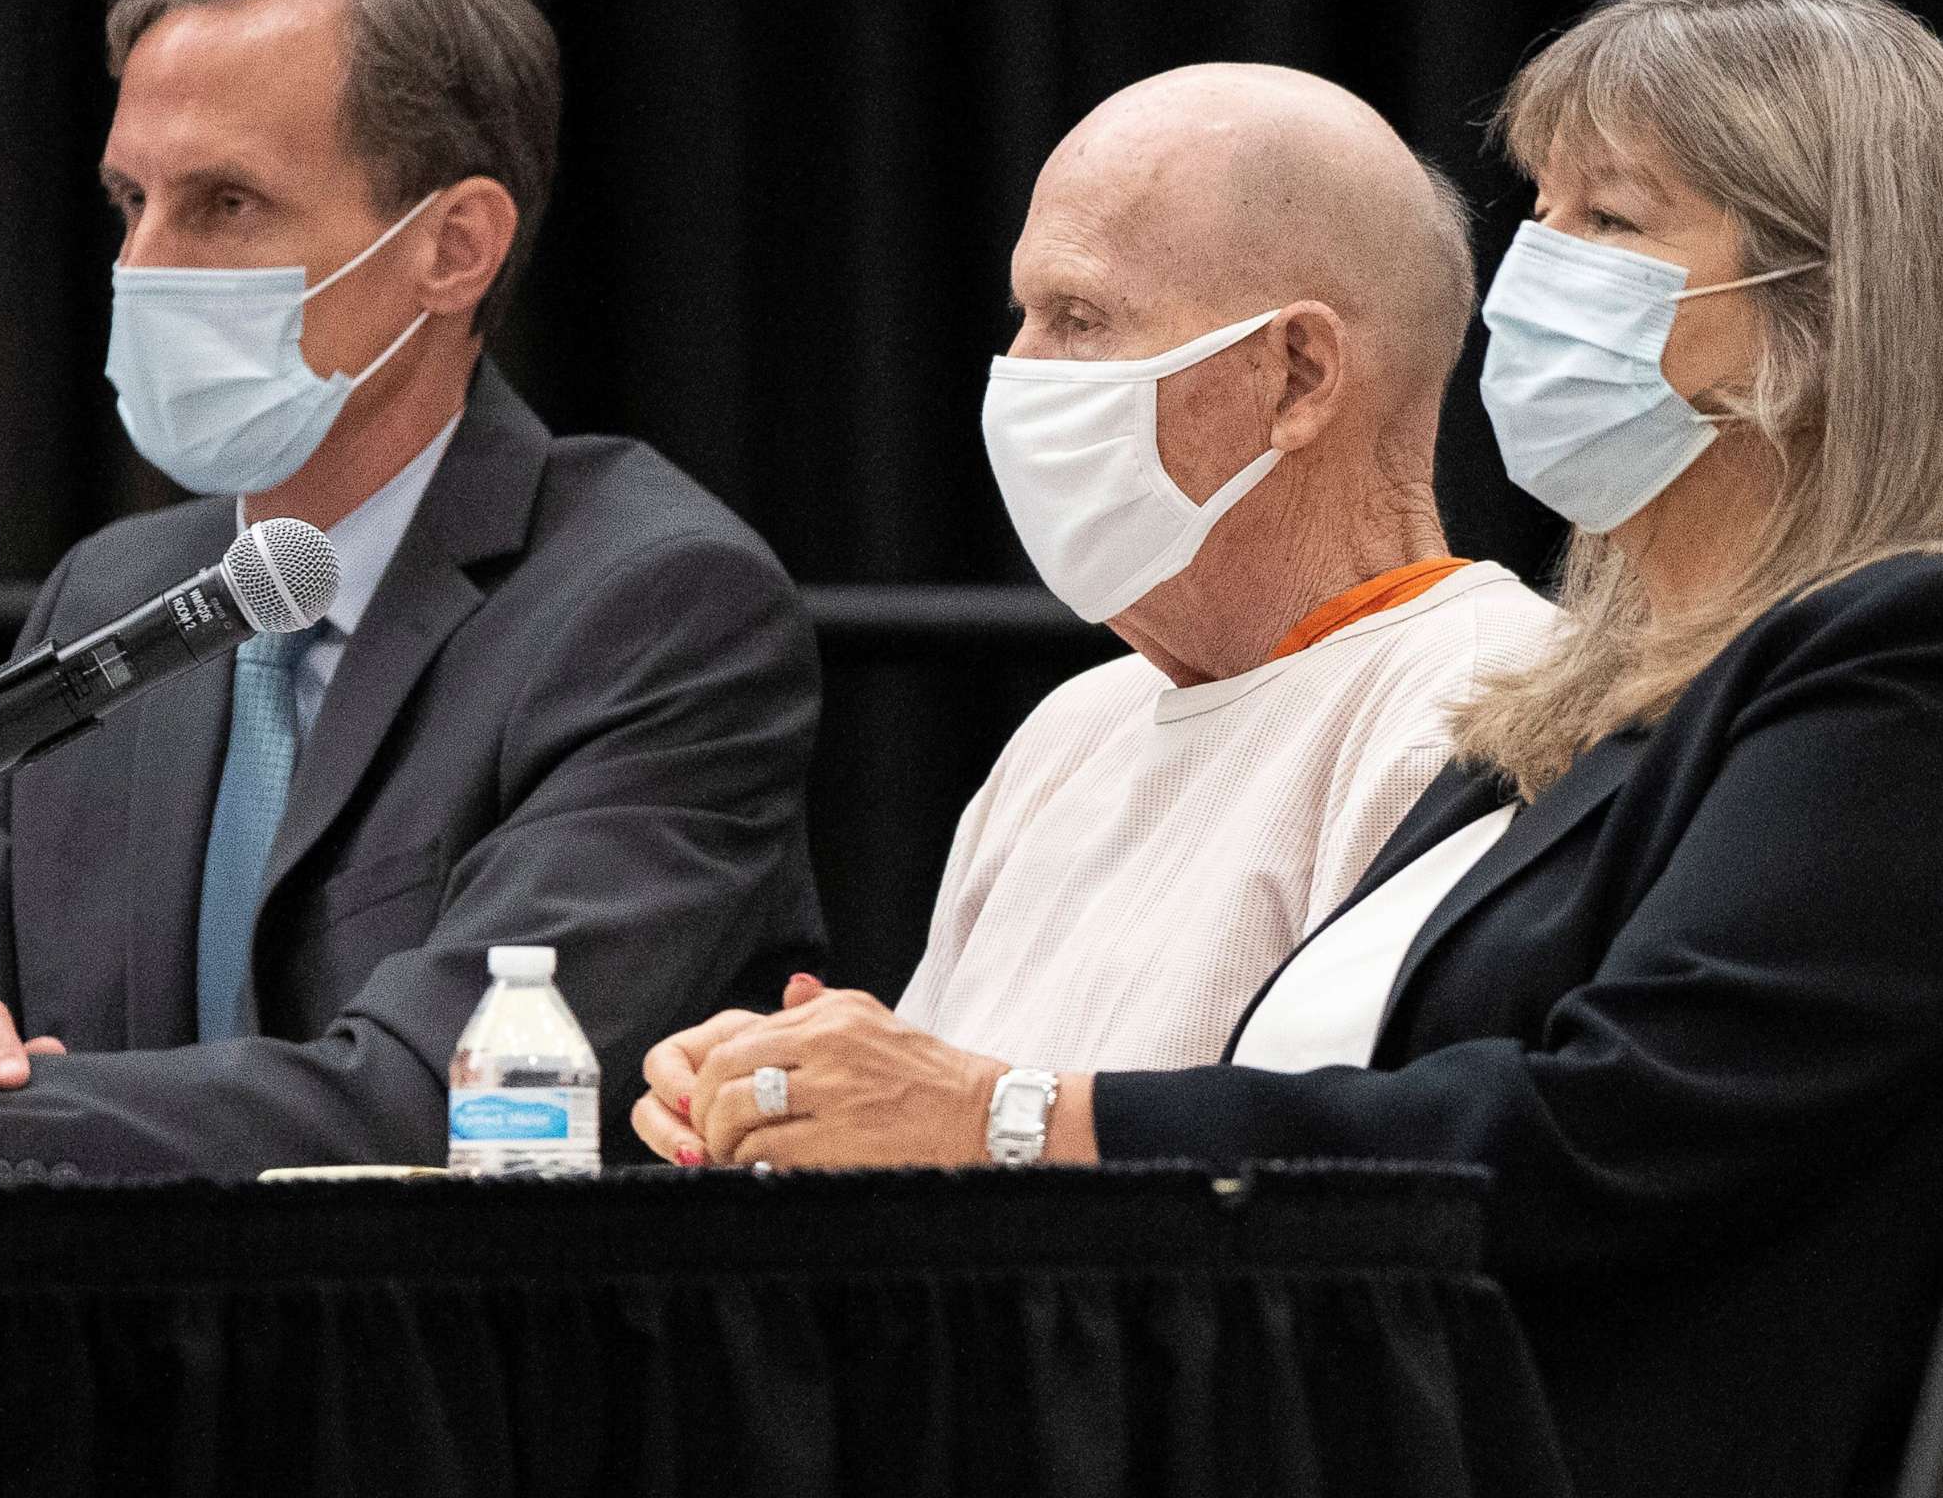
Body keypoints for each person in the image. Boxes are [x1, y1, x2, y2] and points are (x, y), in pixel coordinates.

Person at [637, 0, 1943, 1498]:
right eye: (1542, 212)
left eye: (1614, 224)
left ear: (1815, 315)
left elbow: (1600, 1135)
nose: (1530, 280)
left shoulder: (1927, 668)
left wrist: (1010, 1115)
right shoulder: (1578, 705)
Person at [0, 0, 823, 1178]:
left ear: (453, 248)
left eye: (223, 202)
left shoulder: (657, 607)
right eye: (132, 200)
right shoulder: (121, 593)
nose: (142, 266)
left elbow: (443, 1106)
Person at [635, 64, 1558, 1162]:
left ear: (1298, 374)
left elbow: (1360, 1189)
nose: (1018, 373)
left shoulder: (1487, 704)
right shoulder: (1075, 729)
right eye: (1022, 314)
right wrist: (789, 1098)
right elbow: (937, 1135)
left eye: (1078, 319)